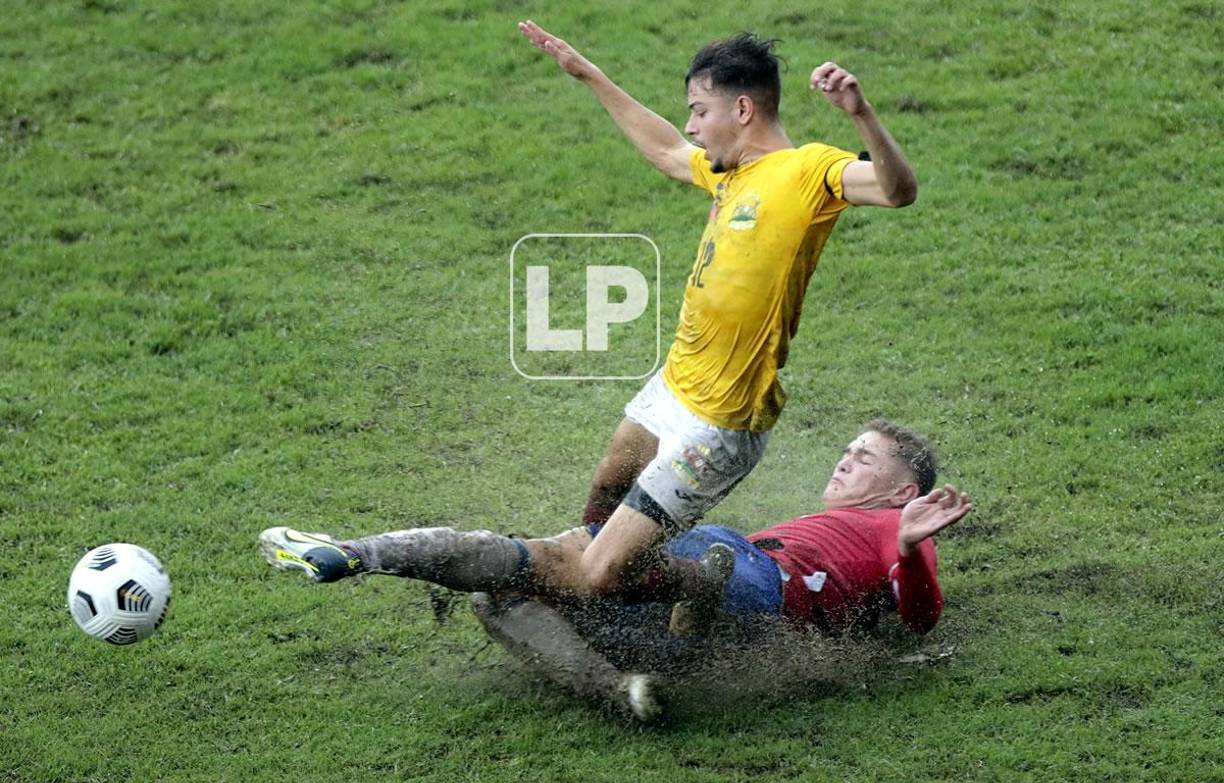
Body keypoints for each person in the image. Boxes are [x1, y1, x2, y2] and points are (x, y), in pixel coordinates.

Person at [511, 22, 920, 606]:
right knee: (609, 480)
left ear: (744, 108)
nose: (691, 125)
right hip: (677, 384)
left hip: (725, 411)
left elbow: (897, 190)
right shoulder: (728, 169)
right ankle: (601, 586)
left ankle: (681, 586)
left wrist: (861, 114)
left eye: (700, 110)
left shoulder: (809, 171)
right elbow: (666, 150)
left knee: (604, 570)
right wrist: (592, 76)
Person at [260, 420, 971, 721]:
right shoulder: (867, 521)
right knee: (501, 594)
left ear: (904, 490)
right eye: (848, 449)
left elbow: (920, 619)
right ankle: (625, 688)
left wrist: (909, 551)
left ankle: (360, 554)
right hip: (697, 630)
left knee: (562, 555)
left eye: (865, 458)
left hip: (757, 587)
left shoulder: (895, 527)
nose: (845, 460)